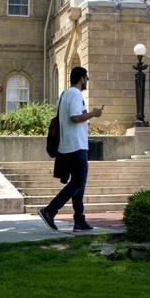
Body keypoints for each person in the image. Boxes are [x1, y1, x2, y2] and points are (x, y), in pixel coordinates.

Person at [38, 66, 102, 232]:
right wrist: (93, 114)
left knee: (79, 183)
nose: (87, 81)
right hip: (76, 146)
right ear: (81, 78)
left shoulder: (64, 94)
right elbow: (74, 118)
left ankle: (79, 221)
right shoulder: (75, 94)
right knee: (78, 182)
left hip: (67, 146)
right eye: (86, 78)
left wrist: (87, 113)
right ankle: (50, 211)